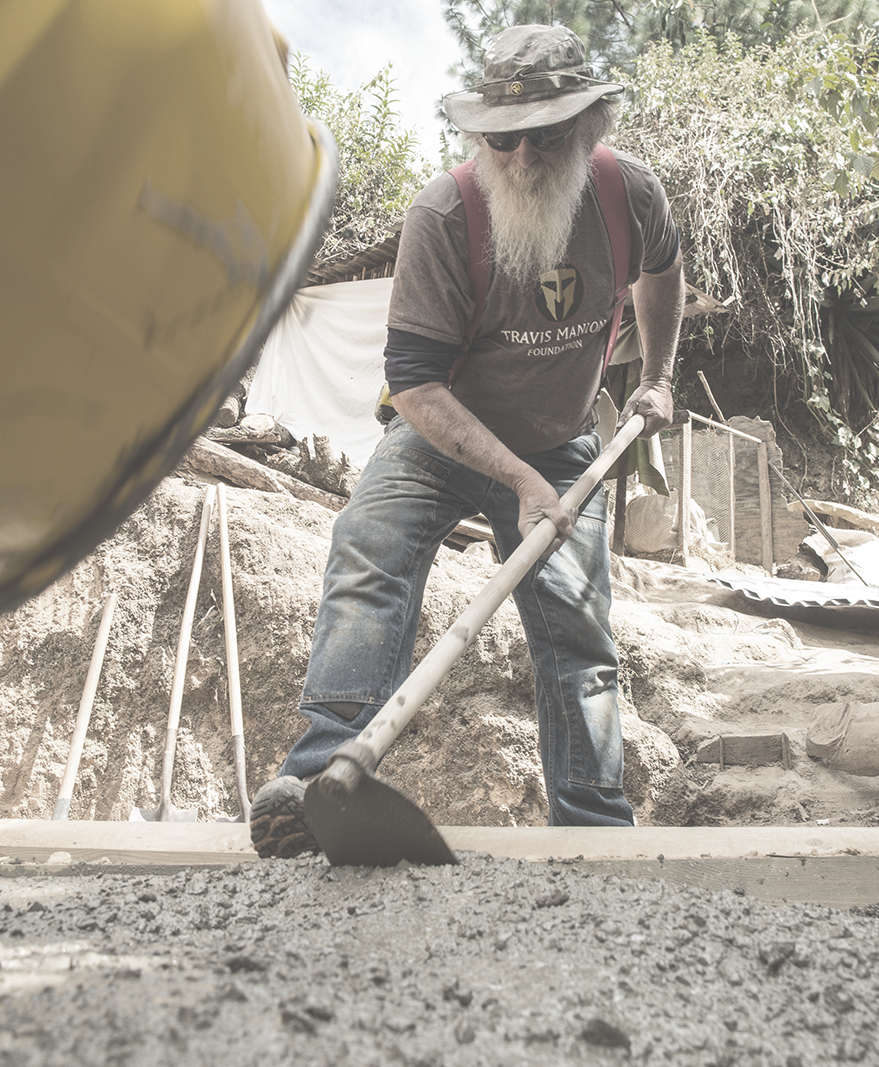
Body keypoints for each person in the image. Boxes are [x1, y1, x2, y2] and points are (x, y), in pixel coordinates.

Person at [250, 24, 685, 857]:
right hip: (439, 433)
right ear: (478, 133)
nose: (519, 158)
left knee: (580, 635)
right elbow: (413, 383)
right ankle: (314, 786)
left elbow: (661, 272)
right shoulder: (444, 216)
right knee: (368, 548)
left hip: (561, 440)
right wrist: (515, 479)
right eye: (500, 138)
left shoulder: (630, 196)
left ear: (588, 126)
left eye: (544, 136)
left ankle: (593, 833)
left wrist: (655, 377)